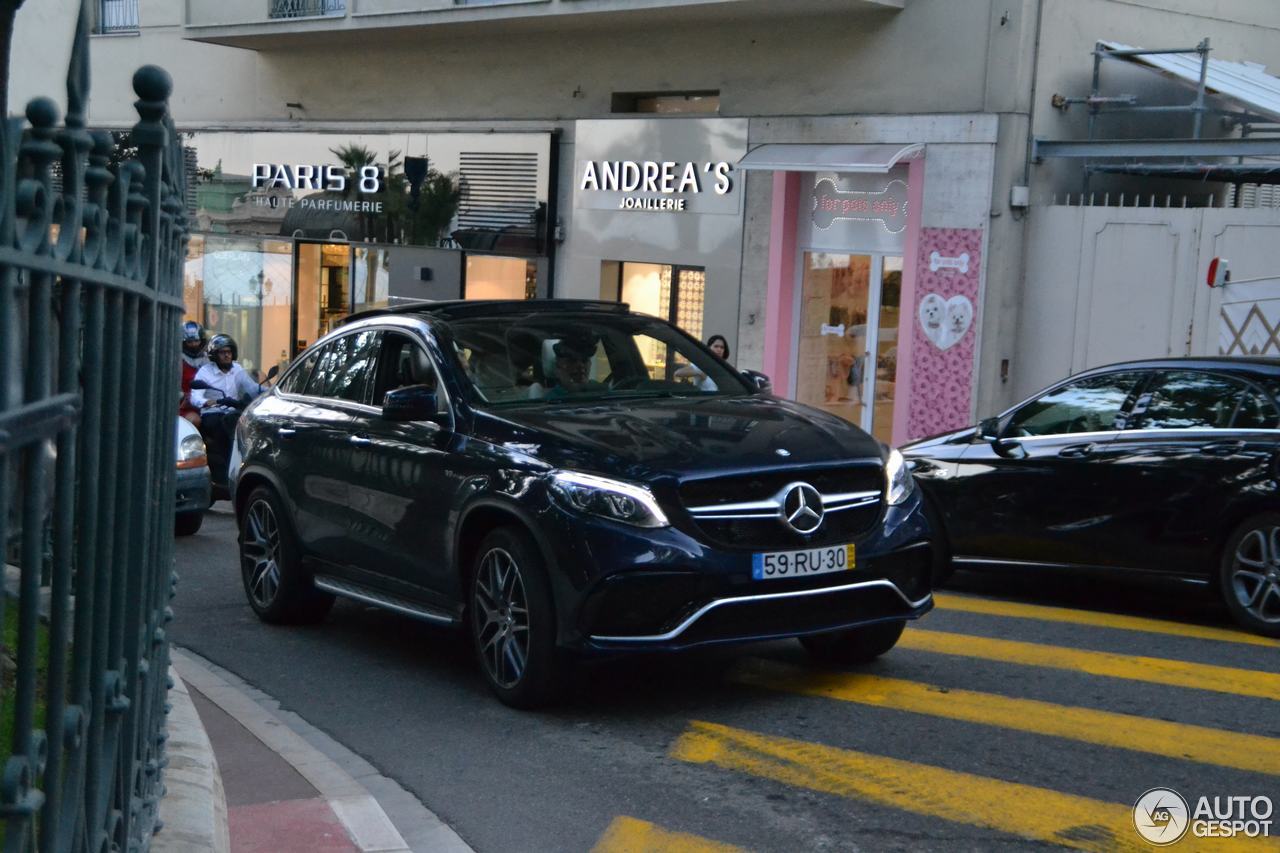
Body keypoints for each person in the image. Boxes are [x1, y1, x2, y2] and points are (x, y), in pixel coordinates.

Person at [191, 334, 273, 482]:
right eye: (223, 352)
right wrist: (207, 401)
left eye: (229, 351)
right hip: (213, 413)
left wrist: (268, 391)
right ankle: (224, 471)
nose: (227, 355)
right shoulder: (205, 372)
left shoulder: (237, 369)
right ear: (215, 355)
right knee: (221, 429)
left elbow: (251, 387)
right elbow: (195, 396)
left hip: (232, 411)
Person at [179, 321, 208, 427]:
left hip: (209, 403)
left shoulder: (209, 359)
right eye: (190, 342)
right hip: (186, 405)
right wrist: (183, 396)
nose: (194, 345)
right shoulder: (178, 359)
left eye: (196, 341)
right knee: (194, 420)